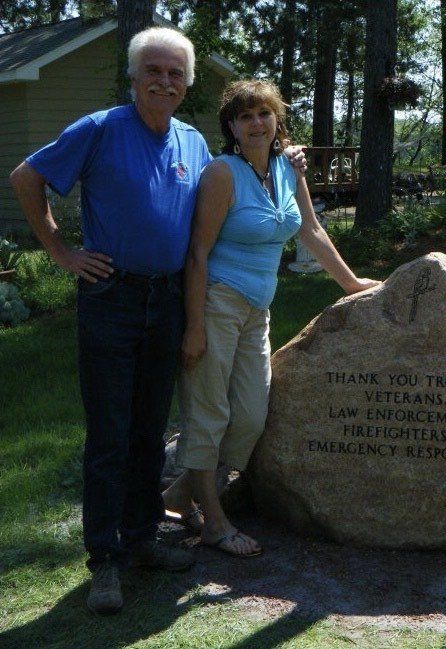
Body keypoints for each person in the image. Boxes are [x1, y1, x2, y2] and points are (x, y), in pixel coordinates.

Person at [8, 28, 305, 614]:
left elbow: (238, 183)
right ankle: (105, 562)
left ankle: (143, 538)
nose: (164, 81)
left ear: (187, 82)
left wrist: (284, 155)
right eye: (154, 70)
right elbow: (26, 177)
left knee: (149, 428)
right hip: (111, 298)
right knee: (111, 434)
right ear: (134, 76)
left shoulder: (193, 142)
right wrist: (63, 253)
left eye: (175, 73)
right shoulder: (99, 129)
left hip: (167, 299)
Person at [161, 80, 378, 557]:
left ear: (277, 120)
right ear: (232, 128)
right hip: (216, 302)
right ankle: (215, 524)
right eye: (245, 117)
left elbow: (312, 229)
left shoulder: (287, 168)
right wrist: (194, 326)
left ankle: (181, 494)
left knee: (252, 415)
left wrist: (351, 283)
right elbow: (197, 253)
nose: (257, 123)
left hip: (258, 309)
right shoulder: (223, 173)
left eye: (265, 114)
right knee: (209, 410)